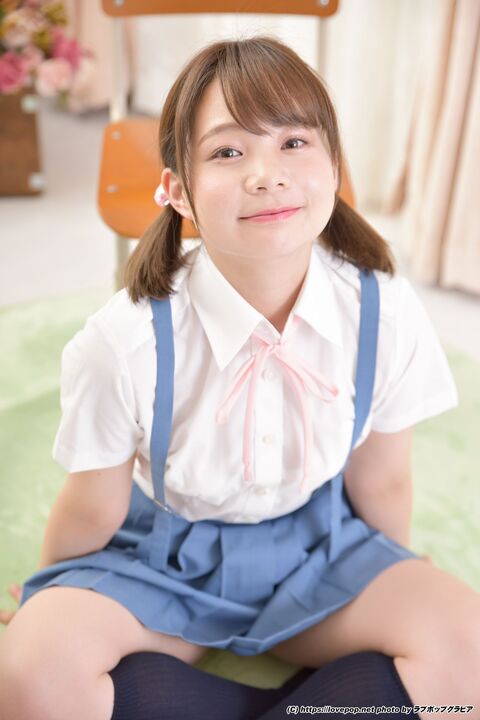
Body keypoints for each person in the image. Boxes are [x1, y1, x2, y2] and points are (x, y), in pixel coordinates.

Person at [0, 35, 478, 720]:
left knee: (470, 652)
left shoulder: (382, 307)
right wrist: (47, 596)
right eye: (228, 152)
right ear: (178, 192)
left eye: (293, 143)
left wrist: (392, 568)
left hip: (322, 548)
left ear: (335, 168)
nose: (266, 174)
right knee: (28, 672)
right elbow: (92, 508)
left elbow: (382, 479)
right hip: (161, 561)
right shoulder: (123, 340)